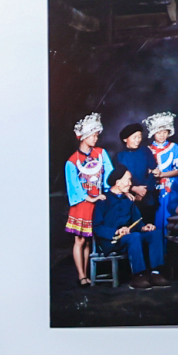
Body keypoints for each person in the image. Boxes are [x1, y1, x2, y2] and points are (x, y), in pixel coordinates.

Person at [92, 167, 169, 289]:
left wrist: (144, 227)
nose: (130, 183)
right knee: (135, 236)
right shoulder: (103, 200)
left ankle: (156, 273)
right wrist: (116, 231)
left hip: (130, 237)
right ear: (118, 182)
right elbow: (97, 227)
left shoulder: (128, 200)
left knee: (155, 233)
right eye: (127, 180)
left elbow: (137, 222)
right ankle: (138, 276)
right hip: (112, 240)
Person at [64, 113, 111, 286]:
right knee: (80, 239)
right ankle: (81, 275)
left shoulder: (101, 153)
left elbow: (109, 176)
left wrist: (107, 193)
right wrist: (89, 198)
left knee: (90, 240)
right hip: (82, 205)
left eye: (97, 135)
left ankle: (87, 274)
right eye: (93, 135)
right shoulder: (72, 161)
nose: (95, 138)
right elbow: (73, 186)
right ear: (83, 137)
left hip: (98, 203)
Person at [143, 111, 178, 229]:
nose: (162, 135)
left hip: (171, 188)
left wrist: (162, 174)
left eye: (165, 132)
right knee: (155, 219)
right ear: (153, 133)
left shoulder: (174, 147)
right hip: (153, 190)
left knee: (170, 217)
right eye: (159, 132)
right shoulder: (147, 150)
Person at [114, 123, 156, 227]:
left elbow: (153, 171)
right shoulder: (120, 156)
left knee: (149, 226)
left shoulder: (145, 151)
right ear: (125, 139)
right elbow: (118, 178)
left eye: (139, 137)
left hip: (147, 196)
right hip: (129, 197)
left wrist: (143, 190)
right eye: (134, 137)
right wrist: (134, 189)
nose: (138, 140)